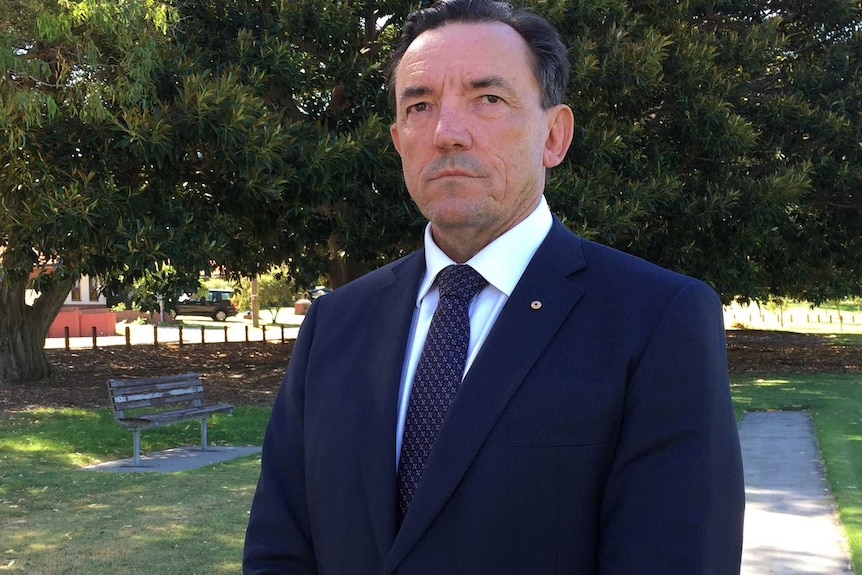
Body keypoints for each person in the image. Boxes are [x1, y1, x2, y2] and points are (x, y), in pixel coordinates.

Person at [243, 0, 745, 573]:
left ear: (554, 136)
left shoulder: (656, 320)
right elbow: (279, 550)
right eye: (420, 105)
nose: (447, 133)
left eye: (488, 99)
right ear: (398, 139)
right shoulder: (334, 325)